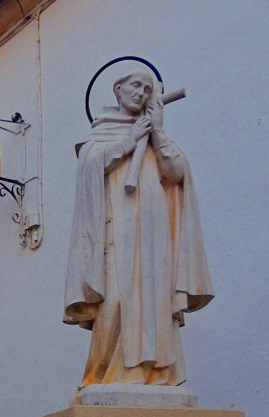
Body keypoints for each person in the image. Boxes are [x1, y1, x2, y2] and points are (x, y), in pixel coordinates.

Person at [63, 70, 212, 387]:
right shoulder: (100, 135)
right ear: (117, 90)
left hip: (153, 232)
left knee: (154, 299)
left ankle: (155, 373)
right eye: (135, 85)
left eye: (148, 88)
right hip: (115, 231)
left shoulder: (155, 134)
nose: (141, 92)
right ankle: (103, 376)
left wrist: (157, 134)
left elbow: (176, 172)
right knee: (115, 299)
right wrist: (130, 141)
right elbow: (91, 165)